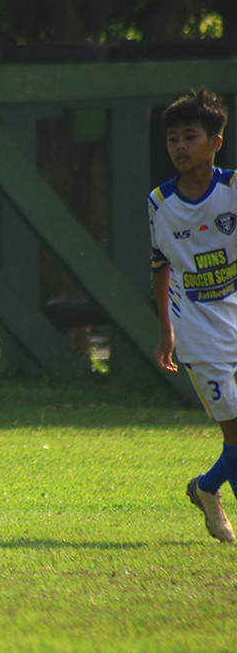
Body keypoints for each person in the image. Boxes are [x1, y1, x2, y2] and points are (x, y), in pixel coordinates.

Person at [149, 87, 237, 543]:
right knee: (236, 431)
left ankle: (205, 488)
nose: (179, 147)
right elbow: (160, 264)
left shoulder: (233, 189)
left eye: (189, 136)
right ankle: (209, 490)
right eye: (172, 139)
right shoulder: (160, 202)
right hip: (199, 333)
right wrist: (166, 330)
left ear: (215, 142)